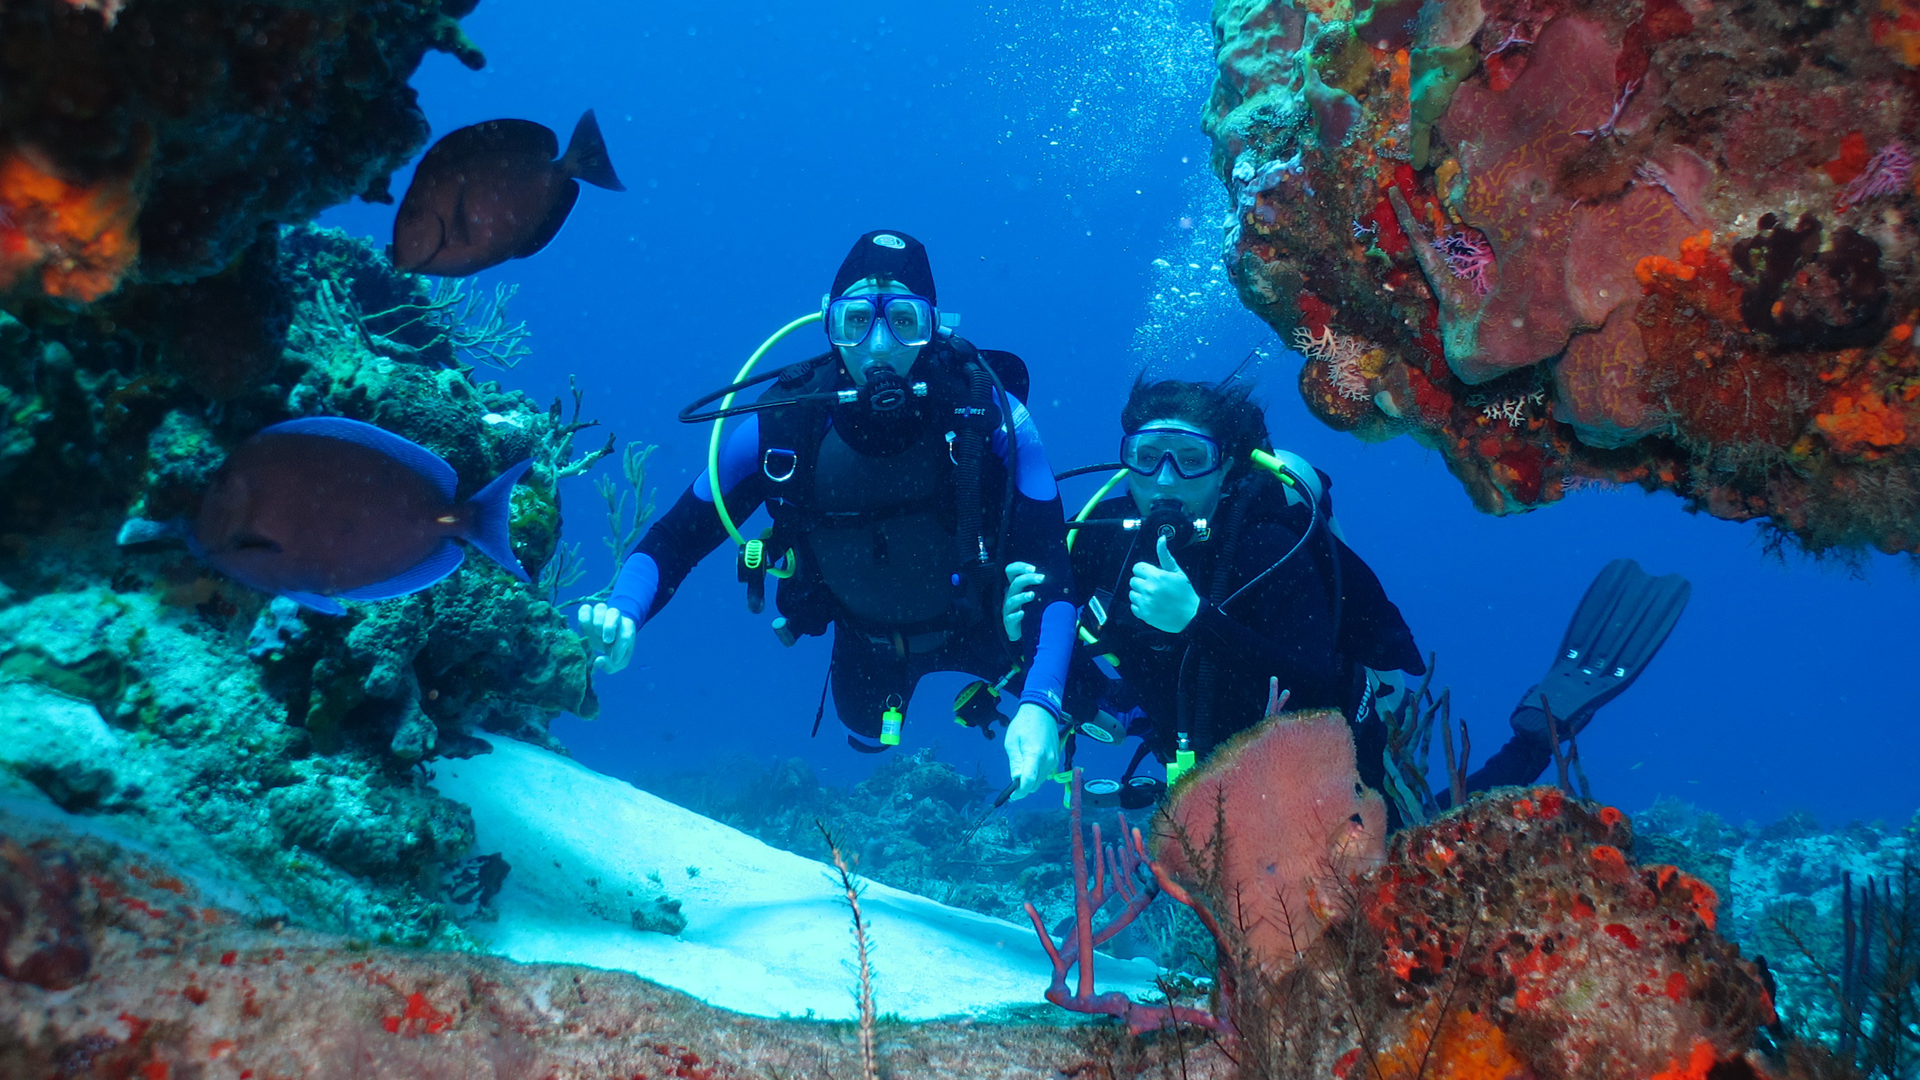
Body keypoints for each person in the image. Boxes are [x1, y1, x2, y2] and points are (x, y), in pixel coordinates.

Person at [1006, 373, 1689, 812]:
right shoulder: (1096, 540)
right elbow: (1082, 669)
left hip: (1327, 746)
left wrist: (1198, 622)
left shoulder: (1270, 546)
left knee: (1422, 848)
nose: (1163, 479)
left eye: (1190, 459)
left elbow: (1323, 685)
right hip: (1200, 755)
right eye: (1144, 455)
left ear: (1227, 470)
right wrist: (1013, 632)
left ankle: (1537, 733)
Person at [577, 230, 1076, 799]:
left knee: (1080, 709)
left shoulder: (992, 419)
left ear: (934, 327)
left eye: (905, 321)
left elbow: (1055, 577)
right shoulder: (783, 427)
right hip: (868, 643)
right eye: (857, 320)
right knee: (865, 737)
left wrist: (1041, 702)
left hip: (987, 623)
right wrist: (626, 610)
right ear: (828, 324)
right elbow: (674, 540)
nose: (880, 347)